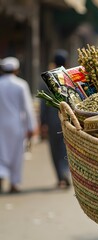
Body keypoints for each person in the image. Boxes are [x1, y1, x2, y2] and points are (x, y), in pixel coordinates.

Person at [0, 56, 37, 193]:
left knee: (1, 152)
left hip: (1, 124)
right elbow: (27, 107)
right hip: (16, 124)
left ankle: (1, 175)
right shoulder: (21, 85)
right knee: (17, 154)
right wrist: (31, 127)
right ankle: (14, 184)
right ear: (16, 69)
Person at [39, 49, 71, 189]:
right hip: (69, 120)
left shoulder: (47, 79)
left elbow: (43, 104)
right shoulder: (70, 77)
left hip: (52, 121)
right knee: (66, 148)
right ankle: (65, 172)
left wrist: (43, 123)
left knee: (55, 150)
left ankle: (60, 176)